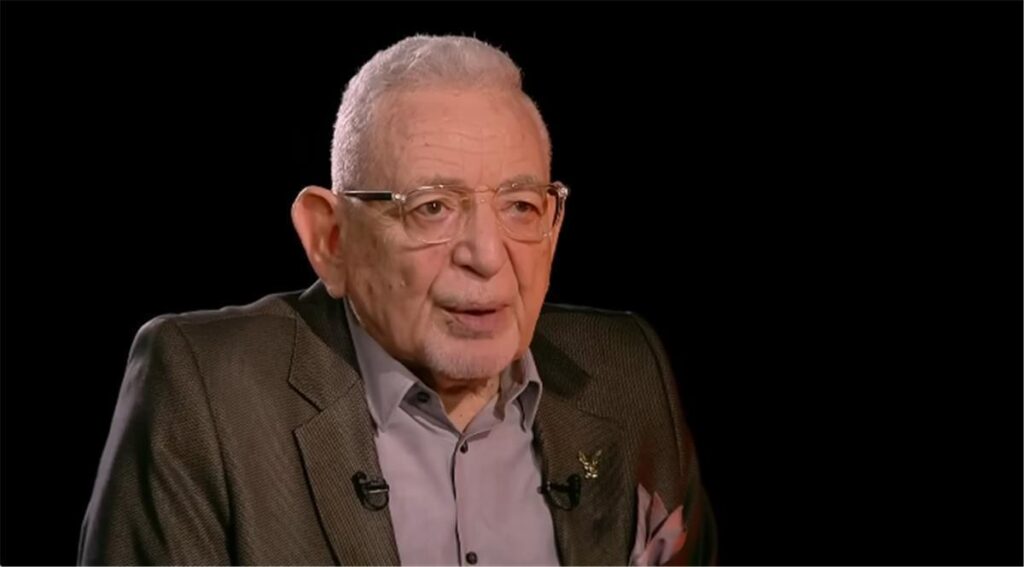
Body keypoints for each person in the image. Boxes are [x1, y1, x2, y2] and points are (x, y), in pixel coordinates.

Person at [78, 34, 717, 566]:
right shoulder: (208, 393)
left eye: (521, 206)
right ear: (330, 240)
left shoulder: (629, 372)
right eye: (432, 207)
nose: (487, 255)